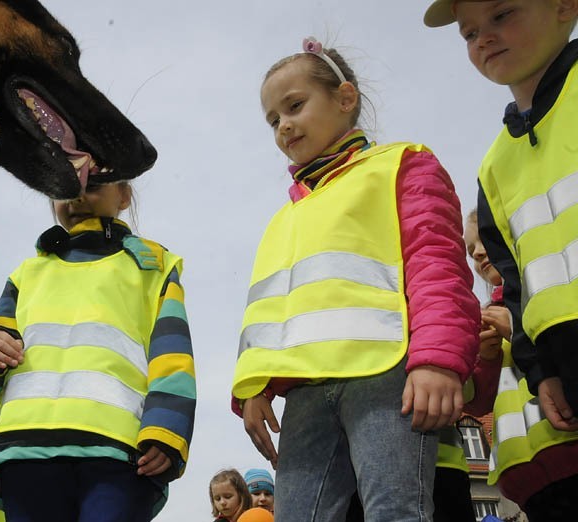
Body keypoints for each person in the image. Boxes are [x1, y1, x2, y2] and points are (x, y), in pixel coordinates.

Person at [232, 36, 480, 521]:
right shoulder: (288, 216)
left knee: (396, 511)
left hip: (385, 375)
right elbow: (270, 309)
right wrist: (252, 389)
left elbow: (436, 263)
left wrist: (438, 361)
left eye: (295, 105)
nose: (283, 125)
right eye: (272, 119)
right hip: (305, 390)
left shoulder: (402, 164)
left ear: (345, 99)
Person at [0, 181, 196, 522]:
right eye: (63, 186)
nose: (75, 196)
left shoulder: (153, 266)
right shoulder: (26, 273)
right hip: (24, 449)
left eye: (92, 185)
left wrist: (166, 431)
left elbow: (172, 355)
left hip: (116, 451)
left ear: (124, 196)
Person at [423, 0, 578, 433]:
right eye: (469, 34)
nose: (483, 38)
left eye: (502, 14)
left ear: (565, 6)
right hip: (565, 359)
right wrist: (540, 368)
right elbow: (513, 278)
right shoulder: (494, 165)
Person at [463, 210, 578, 521]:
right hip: (523, 478)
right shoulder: (486, 316)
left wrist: (516, 331)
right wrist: (485, 359)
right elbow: (478, 402)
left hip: (567, 451)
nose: (477, 252)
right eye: (470, 248)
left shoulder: (547, 296)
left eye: (484, 240)